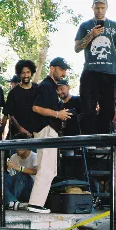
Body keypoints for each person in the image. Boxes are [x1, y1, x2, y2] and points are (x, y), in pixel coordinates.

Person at [27, 57, 71, 214]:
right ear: (52, 68)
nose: (64, 73)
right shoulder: (46, 86)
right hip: (46, 129)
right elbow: (36, 108)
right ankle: (35, 204)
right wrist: (58, 114)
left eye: (65, 70)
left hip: (50, 129)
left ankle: (37, 202)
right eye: (61, 69)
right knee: (46, 168)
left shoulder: (51, 87)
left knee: (51, 169)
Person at [75, 0, 116, 135]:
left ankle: (103, 138)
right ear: (92, 8)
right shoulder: (85, 25)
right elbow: (77, 48)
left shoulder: (114, 25)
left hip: (110, 72)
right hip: (91, 71)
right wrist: (91, 35)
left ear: (107, 8)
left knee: (108, 108)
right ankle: (89, 138)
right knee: (88, 107)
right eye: (97, 8)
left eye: (102, 8)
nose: (100, 11)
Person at [0, 133, 37, 210]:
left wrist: (18, 168)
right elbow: (11, 175)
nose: (17, 148)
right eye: (15, 145)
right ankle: (11, 201)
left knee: (22, 175)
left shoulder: (34, 156)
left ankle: (9, 201)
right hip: (15, 187)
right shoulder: (14, 156)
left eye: (19, 145)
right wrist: (9, 169)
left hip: (29, 189)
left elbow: (36, 171)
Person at [4, 60, 39, 138]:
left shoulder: (37, 89)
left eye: (28, 72)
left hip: (35, 135)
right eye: (23, 73)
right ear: (19, 74)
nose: (26, 75)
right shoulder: (13, 93)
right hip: (18, 136)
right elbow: (10, 115)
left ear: (31, 73)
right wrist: (20, 129)